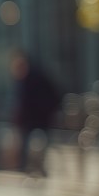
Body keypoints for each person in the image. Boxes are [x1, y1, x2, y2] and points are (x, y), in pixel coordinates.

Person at [10, 48, 61, 177]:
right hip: (30, 121)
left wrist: (46, 111)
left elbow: (53, 96)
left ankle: (36, 169)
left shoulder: (35, 78)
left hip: (39, 120)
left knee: (38, 146)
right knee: (30, 147)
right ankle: (29, 170)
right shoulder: (23, 80)